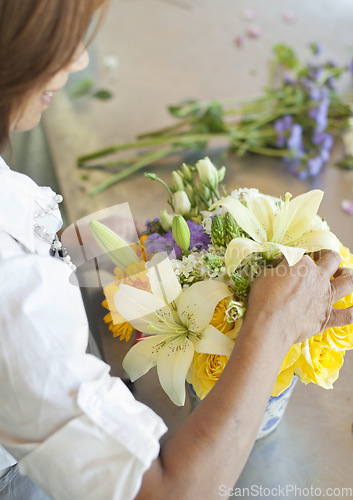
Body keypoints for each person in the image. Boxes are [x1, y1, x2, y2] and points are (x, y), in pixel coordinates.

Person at [0, 1, 353, 499]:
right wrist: (271, 326)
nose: (79, 61)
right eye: (65, 39)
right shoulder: (12, 293)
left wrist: (66, 255)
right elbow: (172, 492)